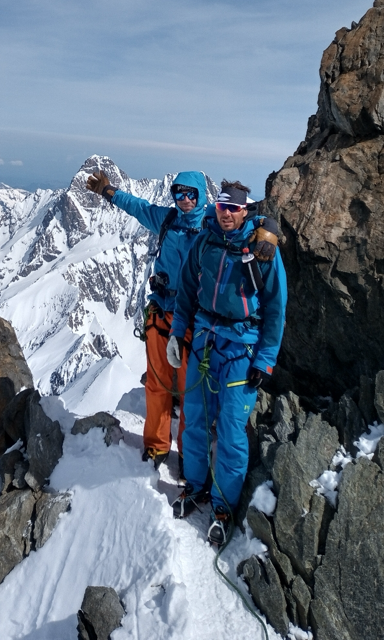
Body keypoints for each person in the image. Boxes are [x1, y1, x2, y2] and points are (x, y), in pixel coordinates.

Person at [167, 180, 287, 545]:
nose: (226, 213)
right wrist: (177, 333)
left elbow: (276, 307)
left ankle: (223, 507)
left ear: (245, 210)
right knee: (195, 420)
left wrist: (265, 360)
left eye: (234, 208)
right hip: (205, 341)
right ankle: (196, 485)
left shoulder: (261, 249)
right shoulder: (205, 241)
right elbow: (187, 290)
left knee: (232, 432)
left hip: (241, 349)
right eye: (222, 207)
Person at [86, 167, 209, 475]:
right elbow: (139, 207)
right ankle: (156, 445)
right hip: (161, 311)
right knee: (157, 383)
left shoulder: (211, 226)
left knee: (190, 390)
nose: (184, 199)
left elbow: (242, 220)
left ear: (201, 195)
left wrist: (266, 229)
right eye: (179, 193)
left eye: (191, 194)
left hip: (193, 318)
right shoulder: (167, 220)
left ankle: (190, 455)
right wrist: (108, 192)